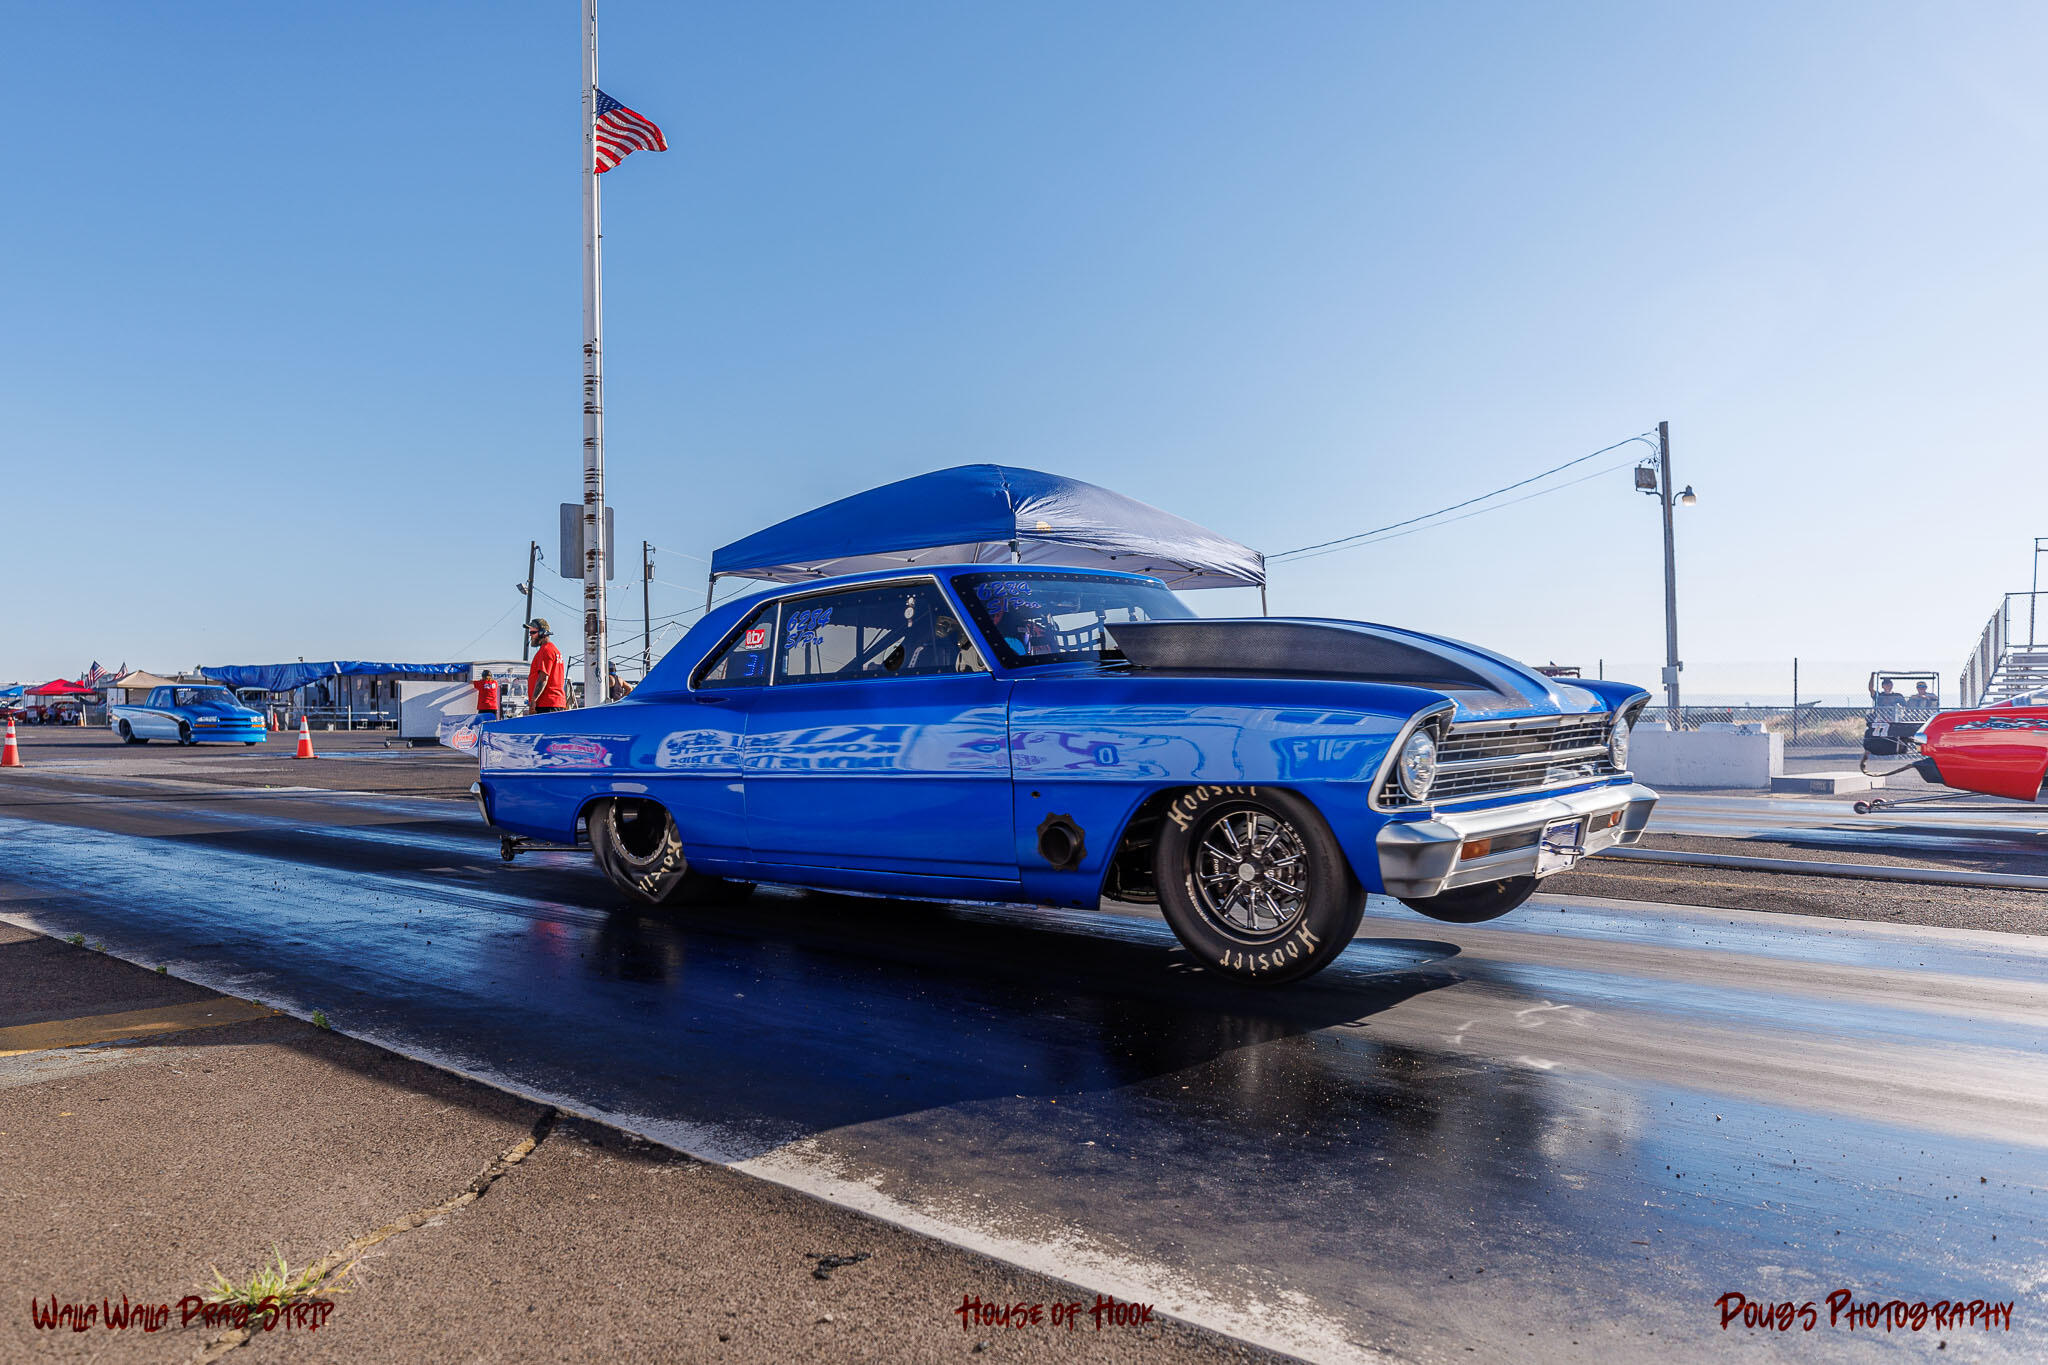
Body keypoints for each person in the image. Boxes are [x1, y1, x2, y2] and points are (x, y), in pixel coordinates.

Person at [527, 620, 568, 713]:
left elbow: (543, 679)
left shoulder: (546, 650)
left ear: (542, 633)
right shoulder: (553, 649)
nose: (530, 635)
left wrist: (533, 700)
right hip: (553, 703)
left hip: (546, 704)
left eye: (533, 632)